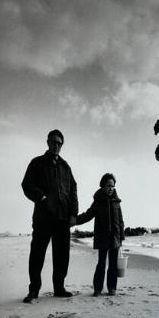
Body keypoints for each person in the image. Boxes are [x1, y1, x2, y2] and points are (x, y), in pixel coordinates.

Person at [22, 129, 78, 303]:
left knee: (62, 256)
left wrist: (73, 214)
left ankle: (59, 288)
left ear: (62, 145)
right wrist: (42, 197)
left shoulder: (66, 167)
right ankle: (33, 290)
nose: (56, 145)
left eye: (59, 143)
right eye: (53, 141)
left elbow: (73, 190)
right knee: (37, 254)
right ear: (47, 142)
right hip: (43, 218)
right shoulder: (37, 163)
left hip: (62, 219)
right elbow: (26, 184)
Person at [76, 173, 125, 296]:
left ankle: (112, 288)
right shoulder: (98, 202)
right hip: (102, 237)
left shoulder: (117, 202)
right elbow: (88, 215)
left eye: (113, 186)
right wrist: (74, 220)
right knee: (101, 264)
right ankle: (97, 289)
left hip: (115, 238)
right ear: (103, 186)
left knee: (113, 265)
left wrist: (121, 238)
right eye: (108, 186)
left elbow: (120, 221)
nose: (111, 188)